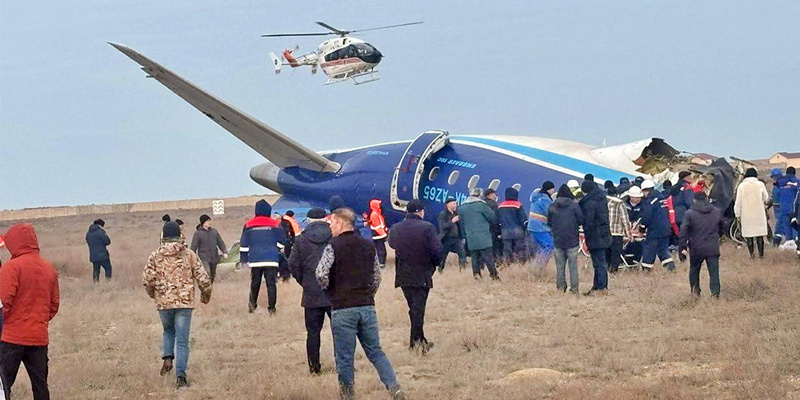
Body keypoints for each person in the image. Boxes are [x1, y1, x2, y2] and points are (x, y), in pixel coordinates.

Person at [315, 208, 406, 400]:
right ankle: (394, 388)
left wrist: (331, 292)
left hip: (343, 308)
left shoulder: (333, 245)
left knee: (345, 359)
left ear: (340, 223)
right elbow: (377, 276)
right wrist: (367, 294)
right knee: (375, 352)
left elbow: (321, 273)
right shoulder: (367, 245)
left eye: (332, 222)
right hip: (366, 306)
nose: (330, 226)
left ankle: (348, 396)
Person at [142, 221, 212, 388]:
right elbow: (203, 278)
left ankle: (167, 358)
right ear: (179, 236)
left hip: (164, 303)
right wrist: (205, 296)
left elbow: (147, 280)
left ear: (163, 236)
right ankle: (181, 377)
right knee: (182, 341)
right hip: (184, 303)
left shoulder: (155, 255)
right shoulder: (188, 254)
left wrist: (154, 295)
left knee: (168, 330)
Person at [0, 224, 59, 400]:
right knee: (40, 385)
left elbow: (3, 302)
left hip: (11, 338)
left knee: (4, 385)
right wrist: (39, 320)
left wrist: (7, 324)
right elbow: (54, 304)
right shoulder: (49, 268)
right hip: (39, 337)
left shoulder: (11, 268)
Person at [388, 200, 441, 353]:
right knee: (418, 309)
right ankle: (415, 343)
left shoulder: (396, 228)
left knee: (413, 307)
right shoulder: (427, 227)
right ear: (420, 212)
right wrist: (434, 265)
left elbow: (391, 244)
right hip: (422, 272)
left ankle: (419, 339)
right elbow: (436, 250)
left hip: (403, 273)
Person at [288, 207, 332, 375]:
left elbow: (293, 264)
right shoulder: (334, 236)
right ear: (325, 218)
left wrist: (305, 282)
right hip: (334, 291)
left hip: (312, 293)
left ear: (308, 220)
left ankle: (314, 368)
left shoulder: (301, 240)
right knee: (340, 331)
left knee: (313, 333)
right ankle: (343, 363)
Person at [241, 200, 288, 315]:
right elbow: (283, 241)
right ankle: (272, 309)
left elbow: (244, 244)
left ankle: (252, 307)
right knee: (271, 284)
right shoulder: (275, 224)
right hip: (271, 259)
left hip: (255, 260)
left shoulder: (248, 224)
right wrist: (276, 249)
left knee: (255, 283)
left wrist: (244, 260)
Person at [679, 192, 725, 298]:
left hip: (696, 247)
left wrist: (683, 246)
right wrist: (716, 237)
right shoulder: (716, 212)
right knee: (714, 272)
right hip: (712, 246)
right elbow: (723, 227)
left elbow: (683, 231)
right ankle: (715, 294)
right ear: (707, 199)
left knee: (694, 270)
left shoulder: (689, 213)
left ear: (694, 200)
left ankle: (695, 292)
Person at [548, 185, 584, 293]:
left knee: (560, 267)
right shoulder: (574, 206)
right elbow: (581, 219)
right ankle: (574, 289)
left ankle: (560, 288)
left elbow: (549, 222)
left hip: (558, 240)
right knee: (573, 267)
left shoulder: (552, 206)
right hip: (572, 239)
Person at [458, 188, 501, 280]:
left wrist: (464, 236)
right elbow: (492, 218)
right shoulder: (481, 205)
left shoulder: (462, 207)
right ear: (479, 195)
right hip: (484, 236)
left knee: (475, 258)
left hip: (470, 237)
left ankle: (477, 276)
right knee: (488, 257)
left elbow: (461, 223)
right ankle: (494, 275)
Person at [579, 181, 612, 292]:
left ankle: (601, 287)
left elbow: (588, 220)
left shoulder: (589, 203)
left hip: (595, 235)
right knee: (600, 262)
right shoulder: (601, 199)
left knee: (599, 263)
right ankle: (598, 286)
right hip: (603, 234)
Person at [640, 180, 676, 272]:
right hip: (666, 229)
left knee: (649, 250)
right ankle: (670, 267)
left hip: (655, 230)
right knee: (662, 249)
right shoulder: (662, 198)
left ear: (645, 190)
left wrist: (642, 228)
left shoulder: (650, 201)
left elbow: (646, 216)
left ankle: (646, 270)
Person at [734, 168, 770, 259]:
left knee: (749, 236)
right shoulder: (760, 184)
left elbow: (738, 202)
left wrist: (737, 214)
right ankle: (761, 256)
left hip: (746, 214)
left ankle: (752, 256)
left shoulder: (742, 186)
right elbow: (766, 198)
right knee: (759, 236)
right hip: (759, 214)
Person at [190, 214, 227, 283]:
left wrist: (224, 252)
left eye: (209, 221)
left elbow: (220, 242)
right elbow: (193, 246)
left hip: (214, 257)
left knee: (212, 275)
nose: (209, 222)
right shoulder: (198, 234)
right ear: (203, 223)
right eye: (207, 221)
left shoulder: (214, 232)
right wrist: (191, 257)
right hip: (204, 258)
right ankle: (207, 287)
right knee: (207, 272)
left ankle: (210, 286)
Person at [528, 181, 555, 270]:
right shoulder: (545, 199)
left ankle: (536, 267)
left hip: (533, 226)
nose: (553, 190)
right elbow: (550, 213)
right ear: (549, 189)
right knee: (549, 245)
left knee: (542, 247)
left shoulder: (536, 197)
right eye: (552, 188)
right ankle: (539, 267)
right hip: (540, 227)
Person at [498, 187, 528, 263]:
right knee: (520, 249)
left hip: (505, 232)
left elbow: (498, 219)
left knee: (507, 249)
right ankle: (520, 264)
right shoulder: (518, 205)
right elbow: (523, 219)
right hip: (518, 232)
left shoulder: (501, 206)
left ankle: (507, 264)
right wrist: (526, 228)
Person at [606, 186, 631, 273]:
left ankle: (606, 269)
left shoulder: (602, 202)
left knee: (606, 253)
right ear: (616, 194)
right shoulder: (619, 203)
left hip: (605, 232)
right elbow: (624, 219)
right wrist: (628, 233)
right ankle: (613, 270)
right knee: (615, 253)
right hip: (617, 233)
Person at [437, 197, 467, 271]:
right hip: (446, 238)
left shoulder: (457, 214)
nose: (455, 205)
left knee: (462, 254)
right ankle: (440, 270)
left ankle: (462, 270)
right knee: (443, 256)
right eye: (454, 204)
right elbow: (443, 227)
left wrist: (463, 236)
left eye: (456, 203)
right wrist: (452, 221)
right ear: (448, 205)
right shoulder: (443, 214)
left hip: (457, 238)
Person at [776, 167, 800, 242]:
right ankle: (796, 243)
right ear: (794, 173)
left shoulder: (780, 182)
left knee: (786, 227)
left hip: (783, 208)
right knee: (795, 226)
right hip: (794, 209)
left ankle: (789, 242)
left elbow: (777, 194)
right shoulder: (797, 182)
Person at [85, 218, 112, 283]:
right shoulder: (100, 232)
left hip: (93, 256)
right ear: (100, 225)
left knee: (96, 270)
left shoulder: (88, 233)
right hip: (103, 255)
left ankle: (96, 284)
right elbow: (107, 241)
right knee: (108, 268)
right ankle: (108, 282)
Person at [624, 186, 645, 267]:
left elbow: (643, 217)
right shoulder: (624, 204)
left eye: (639, 197)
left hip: (638, 229)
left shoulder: (643, 205)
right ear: (631, 197)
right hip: (626, 229)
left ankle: (635, 261)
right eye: (636, 197)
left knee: (639, 244)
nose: (638, 199)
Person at [483, 189, 503, 261]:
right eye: (495, 194)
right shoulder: (494, 205)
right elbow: (495, 219)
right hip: (492, 231)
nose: (496, 196)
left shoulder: (482, 204)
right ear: (490, 195)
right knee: (495, 249)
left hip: (484, 230)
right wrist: (498, 231)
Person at [368, 199, 389, 267]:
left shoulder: (377, 213)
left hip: (379, 235)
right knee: (380, 249)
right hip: (377, 235)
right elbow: (377, 227)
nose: (380, 205)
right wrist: (384, 234)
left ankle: (381, 261)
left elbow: (381, 224)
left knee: (381, 249)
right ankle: (381, 262)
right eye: (378, 204)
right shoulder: (374, 214)